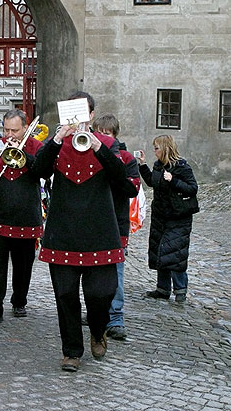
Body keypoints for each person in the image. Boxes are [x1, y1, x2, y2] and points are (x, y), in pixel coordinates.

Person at [30, 91, 127, 372]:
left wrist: (98, 146)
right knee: (65, 295)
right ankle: (71, 350)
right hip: (63, 232)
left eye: (83, 112)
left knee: (102, 294)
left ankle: (98, 331)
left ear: (92, 115)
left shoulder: (109, 144)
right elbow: (37, 171)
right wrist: (58, 138)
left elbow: (123, 183)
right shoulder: (57, 145)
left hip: (100, 233)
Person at [0, 109, 43, 324]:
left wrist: (24, 155)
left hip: (26, 215)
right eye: (6, 130)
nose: (10, 135)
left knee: (23, 264)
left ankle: (19, 301)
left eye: (14, 131)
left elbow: (42, 172)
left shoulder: (37, 147)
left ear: (25, 128)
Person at [90, 114, 140, 341]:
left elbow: (132, 188)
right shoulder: (88, 153)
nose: (102, 138)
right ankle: (96, 312)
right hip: (93, 222)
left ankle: (116, 317)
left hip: (116, 223)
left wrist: (113, 166)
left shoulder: (127, 158)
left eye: (107, 134)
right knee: (90, 273)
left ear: (114, 135)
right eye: (98, 133)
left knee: (116, 274)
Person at [138, 134, 198, 304]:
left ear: (165, 148)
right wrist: (143, 165)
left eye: (156, 148)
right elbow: (152, 182)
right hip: (160, 216)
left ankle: (180, 290)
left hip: (178, 216)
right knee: (160, 251)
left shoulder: (181, 166)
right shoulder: (158, 166)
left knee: (174, 253)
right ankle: (162, 289)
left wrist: (174, 181)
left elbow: (192, 188)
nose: (154, 151)